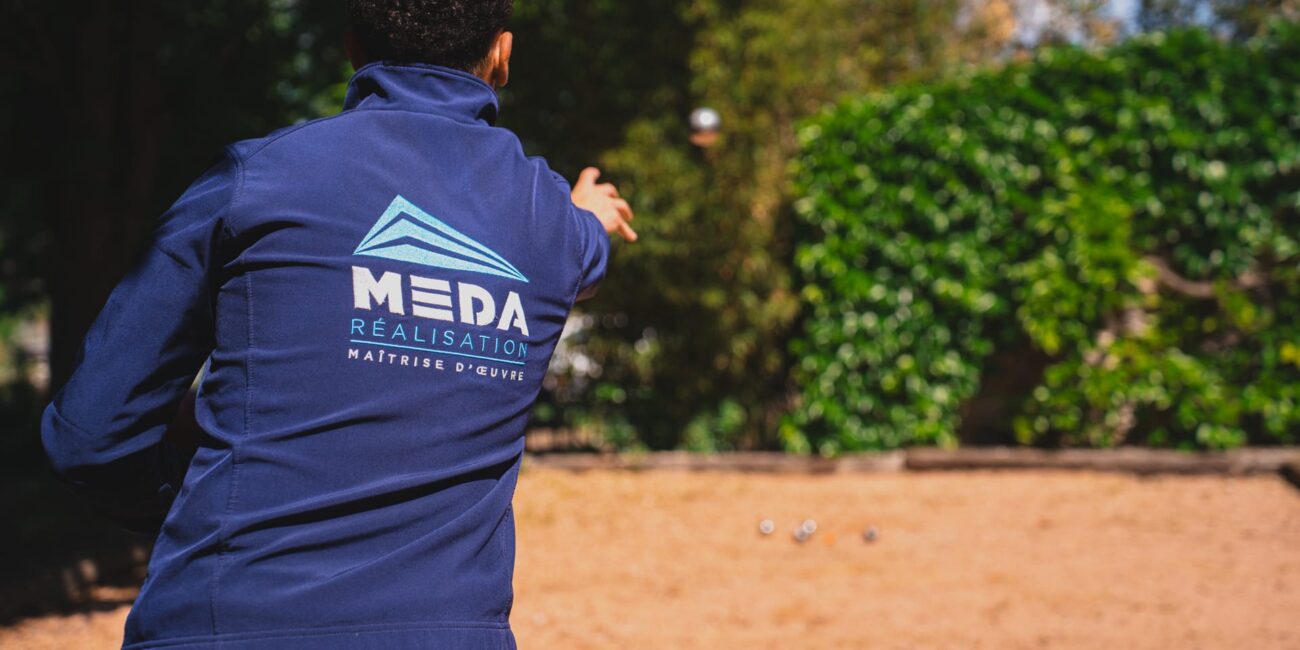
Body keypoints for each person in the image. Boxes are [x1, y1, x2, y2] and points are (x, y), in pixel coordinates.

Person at [39, 1, 635, 648]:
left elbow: (92, 434)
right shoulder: (551, 224)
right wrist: (590, 211)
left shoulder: (254, 182)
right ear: (503, 54)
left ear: (352, 46)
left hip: (227, 620)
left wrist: (199, 502)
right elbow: (587, 247)